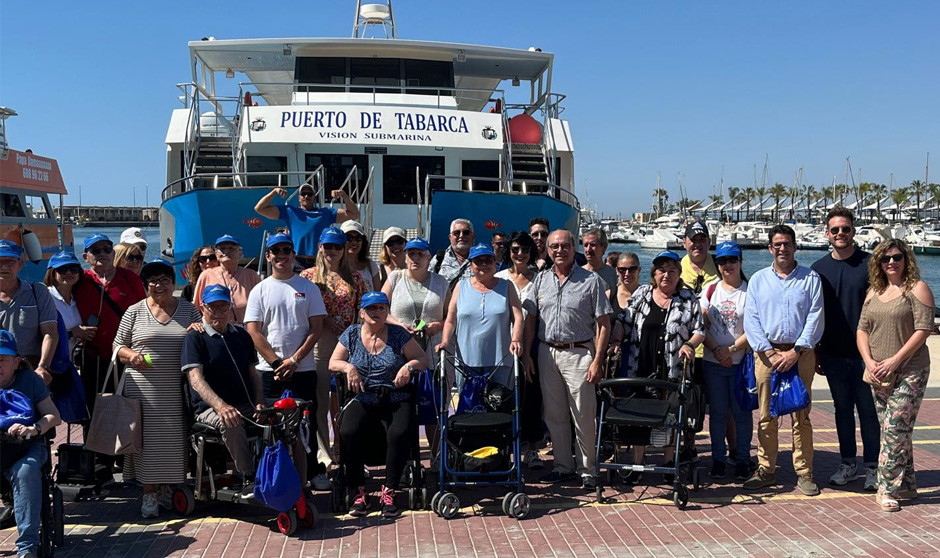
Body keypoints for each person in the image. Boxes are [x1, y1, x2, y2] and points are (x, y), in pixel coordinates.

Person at [522, 230, 611, 490]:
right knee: (554, 414)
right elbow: (529, 319)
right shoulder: (540, 281)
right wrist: (527, 354)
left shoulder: (591, 281)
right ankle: (563, 466)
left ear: (574, 248)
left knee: (583, 413)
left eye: (564, 246)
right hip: (547, 353)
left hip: (579, 352)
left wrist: (597, 361)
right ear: (548, 251)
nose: (559, 250)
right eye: (554, 246)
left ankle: (588, 470)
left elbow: (604, 324)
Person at [113, 259, 202, 518]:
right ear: (145, 285)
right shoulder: (134, 311)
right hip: (142, 390)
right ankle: (149, 494)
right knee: (147, 444)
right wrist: (132, 356)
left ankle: (167, 489)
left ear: (173, 283)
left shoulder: (188, 310)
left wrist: (198, 329)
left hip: (177, 388)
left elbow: (201, 335)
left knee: (175, 442)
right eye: (152, 280)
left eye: (164, 279)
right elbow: (117, 347)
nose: (159, 285)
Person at [329, 292, 429, 518]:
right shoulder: (352, 334)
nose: (377, 313)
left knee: (399, 432)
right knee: (348, 430)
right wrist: (349, 368)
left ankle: (389, 491)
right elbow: (333, 362)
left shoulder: (398, 334)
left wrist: (409, 367)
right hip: (363, 396)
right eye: (372, 309)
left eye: (382, 308)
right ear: (362, 312)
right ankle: (358, 491)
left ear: (387, 312)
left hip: (394, 395)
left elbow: (423, 359)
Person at [743, 224, 824, 496]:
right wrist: (769, 352)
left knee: (802, 415)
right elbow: (751, 320)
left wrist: (796, 351)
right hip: (767, 356)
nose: (782, 248)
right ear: (770, 248)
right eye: (777, 244)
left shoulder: (810, 278)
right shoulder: (758, 280)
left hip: (800, 355)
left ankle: (804, 472)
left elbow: (815, 316)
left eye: (787, 243)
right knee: (767, 416)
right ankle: (766, 469)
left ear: (795, 246)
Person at [244, 233, 327, 489]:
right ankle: (270, 473)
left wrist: (294, 359)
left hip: (303, 369)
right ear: (268, 256)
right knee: (268, 424)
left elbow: (316, 327)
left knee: (307, 422)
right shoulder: (260, 289)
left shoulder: (308, 287)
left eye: (286, 250)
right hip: (268, 372)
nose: (281, 255)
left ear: (293, 254)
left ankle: (313, 471)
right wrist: (277, 363)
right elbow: (253, 331)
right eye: (275, 251)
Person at [857, 239, 934, 512]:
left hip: (909, 371)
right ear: (878, 263)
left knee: (894, 430)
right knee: (895, 432)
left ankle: (886, 488)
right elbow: (862, 330)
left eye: (897, 257)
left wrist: (896, 360)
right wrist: (869, 361)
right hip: (878, 372)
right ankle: (908, 484)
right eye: (885, 258)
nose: (891, 262)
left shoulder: (917, 289)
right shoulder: (874, 292)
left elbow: (923, 330)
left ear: (906, 259)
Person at [612, 251, 704, 477]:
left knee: (671, 416)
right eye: (662, 270)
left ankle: (668, 462)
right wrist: (615, 340)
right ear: (654, 274)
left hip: (672, 368)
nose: (666, 275)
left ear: (679, 275)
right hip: (640, 365)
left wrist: (689, 345)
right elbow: (624, 320)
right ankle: (637, 463)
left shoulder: (688, 298)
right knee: (639, 416)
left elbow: (699, 331)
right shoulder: (643, 293)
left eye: (672, 271)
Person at [811, 207, 880, 490]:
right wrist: (816, 352)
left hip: (867, 355)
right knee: (842, 410)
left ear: (853, 231)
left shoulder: (871, 265)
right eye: (835, 229)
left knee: (868, 411)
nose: (841, 233)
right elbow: (813, 315)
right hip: (833, 353)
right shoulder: (818, 270)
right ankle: (848, 463)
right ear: (827, 234)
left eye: (846, 229)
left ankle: (873, 467)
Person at [299, 227, 370, 479]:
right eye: (327, 246)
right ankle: (324, 455)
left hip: (348, 345)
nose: (332, 251)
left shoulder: (357, 278)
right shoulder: (308, 277)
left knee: (348, 404)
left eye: (337, 246)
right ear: (320, 247)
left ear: (343, 250)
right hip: (320, 343)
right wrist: (327, 321)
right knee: (319, 403)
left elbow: (364, 311)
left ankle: (349, 453)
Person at [182, 285, 263, 483]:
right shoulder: (195, 337)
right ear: (203, 308)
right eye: (213, 307)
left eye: (223, 307)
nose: (218, 312)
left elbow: (254, 374)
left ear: (230, 307)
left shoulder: (242, 335)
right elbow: (196, 380)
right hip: (209, 408)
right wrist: (220, 406)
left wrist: (260, 401)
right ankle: (247, 474)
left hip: (244, 403)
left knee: (284, 415)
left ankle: (279, 471)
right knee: (230, 419)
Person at [0, 329, 62, 558]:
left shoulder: (30, 381)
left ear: (16, 362)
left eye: (3, 360)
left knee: (25, 472)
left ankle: (27, 548)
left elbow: (53, 415)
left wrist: (33, 428)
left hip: (26, 446)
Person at [438, 243, 524, 395]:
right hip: (466, 362)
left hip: (500, 360)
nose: (484, 264)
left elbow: (518, 316)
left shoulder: (507, 286)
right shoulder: (460, 286)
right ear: (471, 265)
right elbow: (451, 319)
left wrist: (516, 339)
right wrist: (445, 341)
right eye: (478, 261)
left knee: (499, 411)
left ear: (494, 263)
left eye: (488, 260)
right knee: (469, 410)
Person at [699, 241, 752, 481]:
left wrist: (730, 350)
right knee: (718, 414)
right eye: (722, 261)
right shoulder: (710, 289)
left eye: (732, 260)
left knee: (741, 414)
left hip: (741, 362)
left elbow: (755, 328)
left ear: (740, 261)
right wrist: (717, 351)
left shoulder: (750, 290)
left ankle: (742, 459)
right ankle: (718, 459)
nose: (727, 265)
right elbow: (700, 324)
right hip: (713, 363)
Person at [494, 232, 544, 469]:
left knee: (531, 397)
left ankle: (532, 450)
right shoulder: (500, 278)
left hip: (531, 346)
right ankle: (504, 450)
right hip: (503, 346)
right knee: (503, 399)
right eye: (515, 249)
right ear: (509, 252)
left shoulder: (541, 279)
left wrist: (527, 354)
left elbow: (535, 319)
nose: (520, 254)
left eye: (525, 249)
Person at [254, 184, 360, 266]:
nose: (306, 196)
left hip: (319, 261)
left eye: (310, 194)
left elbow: (354, 214)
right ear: (299, 198)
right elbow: (260, 209)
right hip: (297, 261)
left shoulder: (326, 213)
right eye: (303, 194)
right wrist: (274, 192)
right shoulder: (290, 211)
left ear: (314, 198)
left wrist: (344, 195)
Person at [0, 240, 58, 385]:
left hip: (30, 371)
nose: (4, 266)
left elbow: (50, 332)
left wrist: (43, 366)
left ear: (20, 264)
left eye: (10, 261)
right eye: (0, 261)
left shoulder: (38, 292)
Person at [193, 235, 261, 325]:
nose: (227, 251)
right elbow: (196, 306)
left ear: (240, 253)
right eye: (222, 248)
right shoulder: (206, 275)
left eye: (231, 248)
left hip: (245, 331)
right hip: (215, 330)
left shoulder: (251, 276)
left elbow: (262, 306)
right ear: (217, 254)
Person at [43, 251, 95, 354]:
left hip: (75, 361)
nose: (68, 273)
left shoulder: (79, 298)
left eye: (73, 269)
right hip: (53, 360)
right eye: (62, 270)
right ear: (52, 273)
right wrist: (72, 333)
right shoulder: (45, 297)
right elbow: (40, 335)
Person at [429, 218, 476, 284]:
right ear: (450, 237)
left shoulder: (482, 259)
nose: (461, 236)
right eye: (456, 233)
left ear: (473, 236)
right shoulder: (439, 259)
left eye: (466, 232)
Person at [341, 220, 382, 290]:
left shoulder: (371, 266)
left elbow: (378, 293)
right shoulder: (336, 267)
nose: (354, 242)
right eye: (349, 238)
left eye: (358, 238)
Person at [581, 228, 618, 292]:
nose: (588, 250)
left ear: (603, 248)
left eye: (592, 245)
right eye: (585, 245)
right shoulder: (578, 274)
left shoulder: (613, 275)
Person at [610, 252, 641, 316]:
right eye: (622, 269)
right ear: (617, 271)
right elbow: (600, 324)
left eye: (632, 269)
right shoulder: (609, 295)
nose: (627, 274)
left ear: (639, 270)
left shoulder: (648, 295)